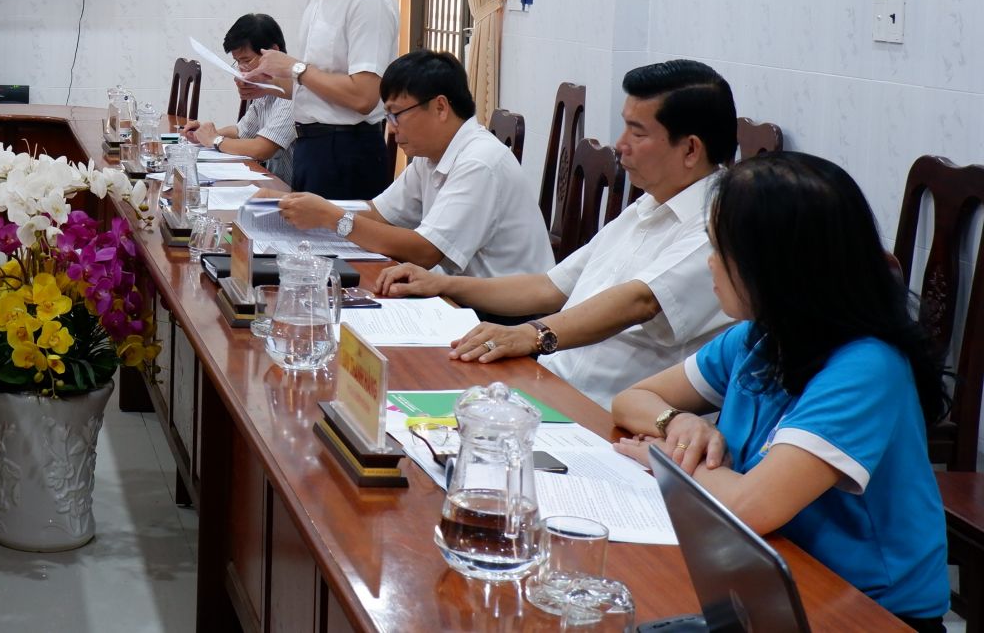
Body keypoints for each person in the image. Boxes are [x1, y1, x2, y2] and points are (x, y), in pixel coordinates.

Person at [610, 153, 950, 630]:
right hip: (765, 572)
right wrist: (678, 422)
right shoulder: (761, 336)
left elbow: (751, 507)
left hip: (866, 608)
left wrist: (667, 459)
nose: (710, 264)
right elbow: (631, 399)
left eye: (722, 249)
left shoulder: (868, 368)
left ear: (776, 266)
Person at [375, 60, 737, 408]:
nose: (620, 144)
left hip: (603, 414)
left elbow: (640, 300)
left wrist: (530, 334)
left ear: (690, 149)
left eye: (637, 132)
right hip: (546, 384)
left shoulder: (717, 224)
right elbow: (549, 287)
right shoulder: (647, 205)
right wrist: (442, 284)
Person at [276, 50, 551, 279]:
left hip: (508, 316)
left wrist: (331, 217)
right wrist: (300, 205)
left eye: (396, 114)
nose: (392, 128)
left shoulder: (479, 161)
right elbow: (379, 212)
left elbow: (426, 251)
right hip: (460, 296)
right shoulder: (430, 155)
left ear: (440, 108)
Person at [240, 0, 399, 200]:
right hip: (312, 148)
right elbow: (321, 86)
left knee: (334, 236)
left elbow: (364, 96)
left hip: (347, 152)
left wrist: (294, 68)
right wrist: (269, 86)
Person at [182, 13, 294, 182]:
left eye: (246, 60)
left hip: (291, 188)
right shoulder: (264, 89)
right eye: (237, 61)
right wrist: (203, 134)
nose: (241, 69)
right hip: (271, 181)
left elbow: (261, 149)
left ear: (273, 52)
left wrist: (215, 140)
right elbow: (241, 132)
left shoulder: (292, 93)